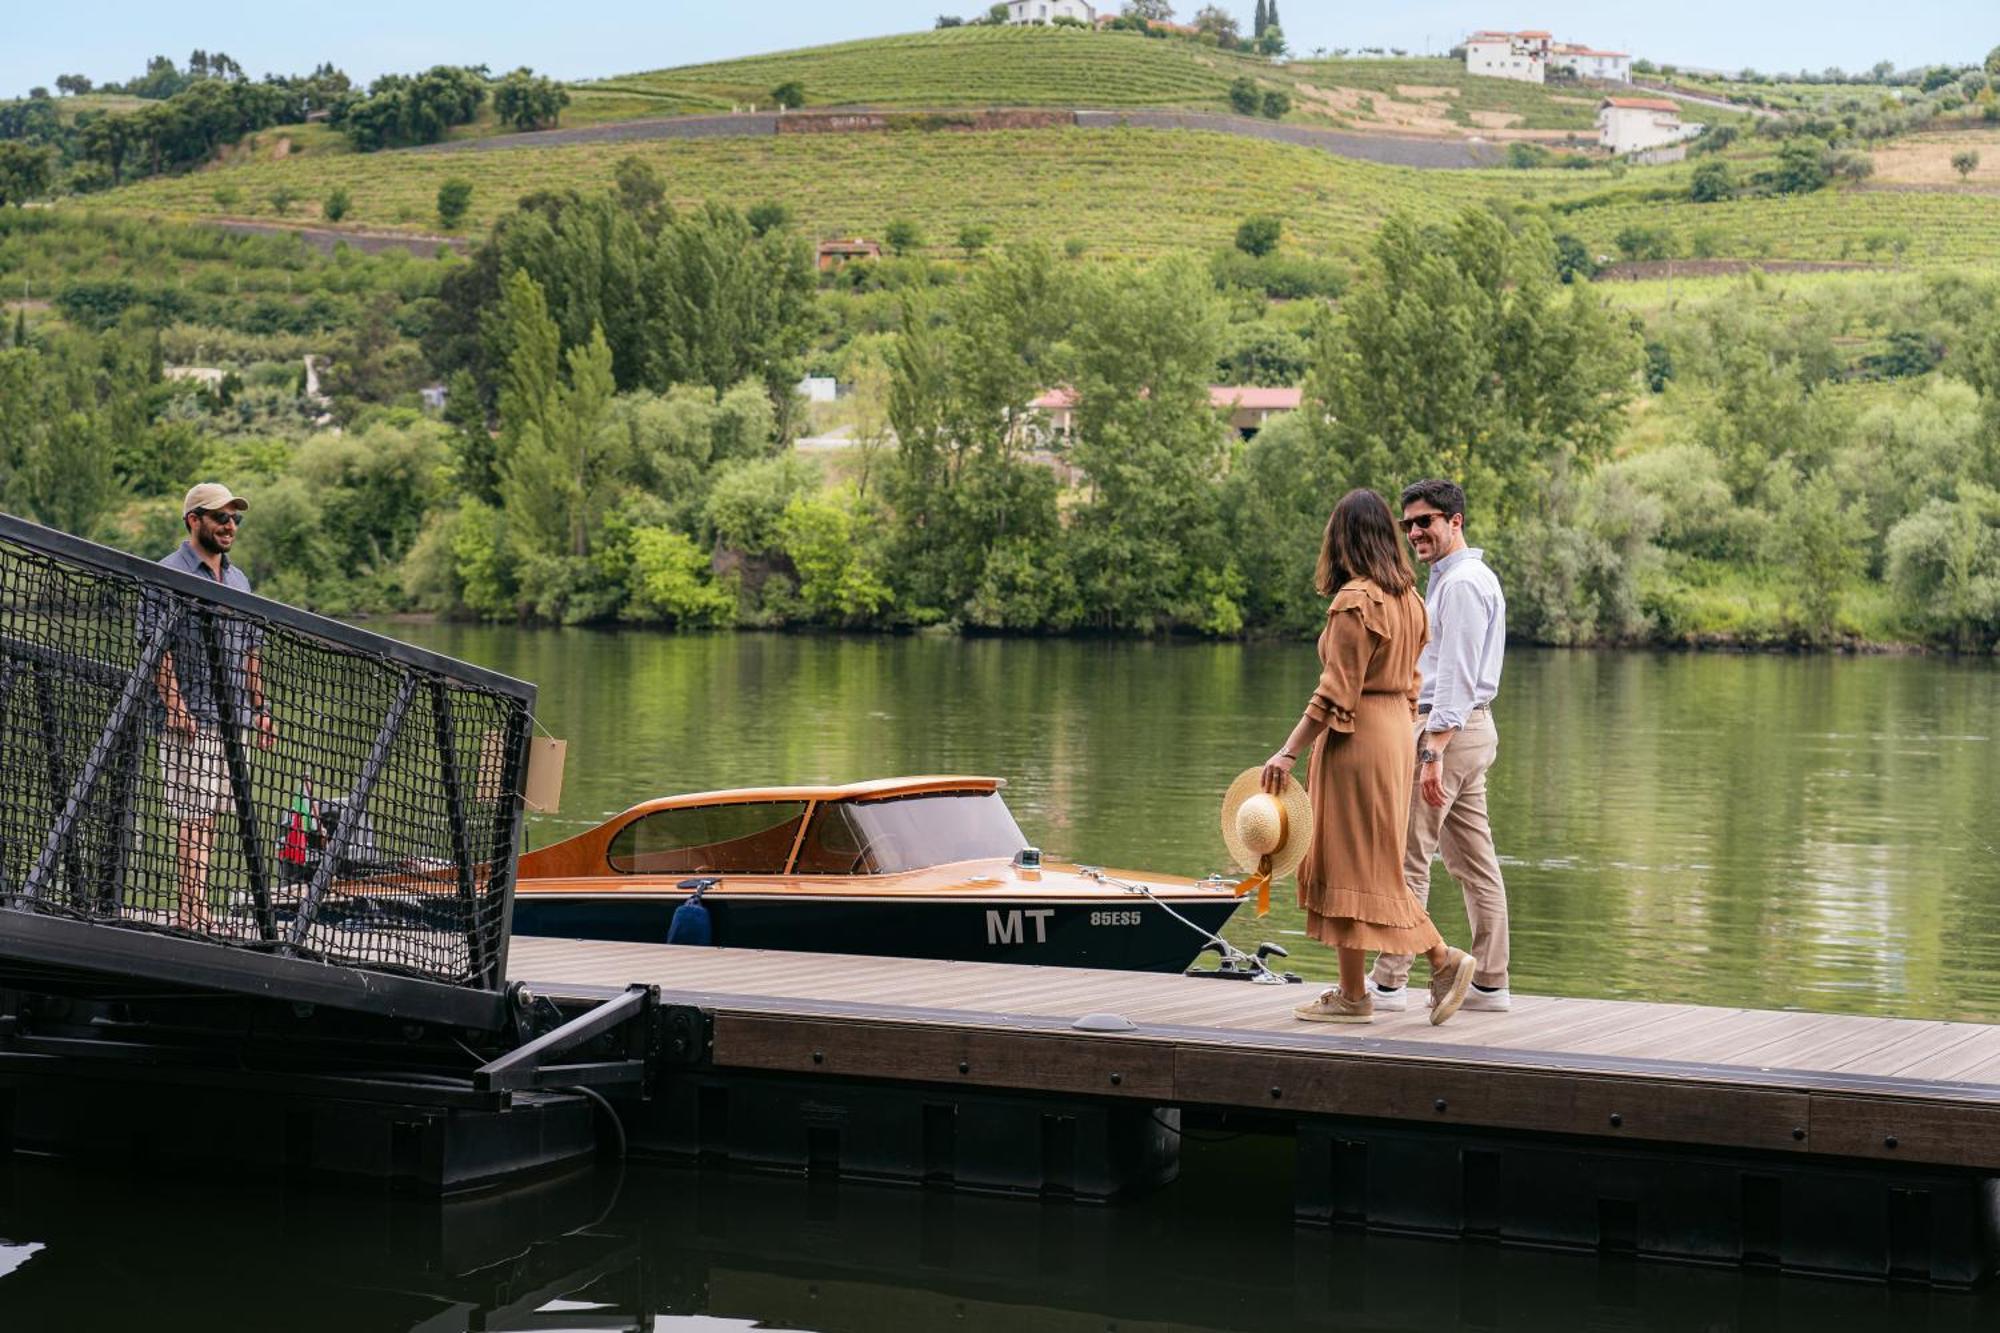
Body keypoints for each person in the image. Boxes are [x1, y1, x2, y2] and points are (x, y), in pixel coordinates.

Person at [1262, 488, 1478, 1026]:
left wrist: (1288, 753)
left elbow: (1334, 694)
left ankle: (1440, 959)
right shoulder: (1409, 599)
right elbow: (1412, 684)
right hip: (1394, 735)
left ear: (1341, 539)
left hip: (1355, 738)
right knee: (1363, 862)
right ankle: (1355, 994)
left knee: (1359, 863)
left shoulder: (1355, 601)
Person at [1368, 478, 1511, 1014]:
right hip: (1468, 731)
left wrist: (1432, 749)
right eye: (1408, 524)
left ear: (1455, 522)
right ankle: (1490, 984)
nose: (1414, 532)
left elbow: (1457, 672)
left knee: (1407, 858)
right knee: (1475, 863)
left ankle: (1388, 981)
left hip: (1448, 731)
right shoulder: (1453, 579)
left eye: (1425, 521)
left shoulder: (1462, 584)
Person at [151, 482, 274, 931]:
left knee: (215, 815)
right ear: (193, 520)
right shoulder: (168, 572)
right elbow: (155, 648)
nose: (229, 526)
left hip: (232, 721)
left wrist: (261, 710)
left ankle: (199, 909)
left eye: (234, 519)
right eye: (220, 517)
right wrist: (175, 706)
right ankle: (191, 916)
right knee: (193, 815)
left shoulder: (239, 580)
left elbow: (251, 652)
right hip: (190, 718)